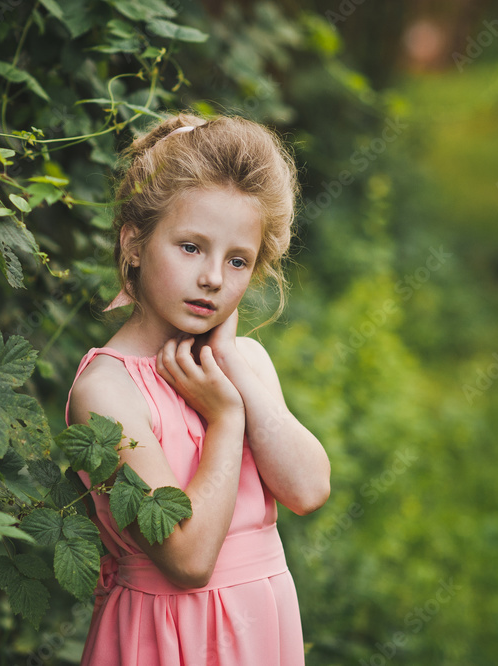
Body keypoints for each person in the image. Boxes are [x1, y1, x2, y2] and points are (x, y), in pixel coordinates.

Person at [65, 113, 331, 666]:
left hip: (259, 628)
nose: (214, 277)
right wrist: (226, 421)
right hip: (164, 637)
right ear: (134, 243)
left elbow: (307, 490)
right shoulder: (108, 391)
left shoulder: (244, 364)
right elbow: (187, 558)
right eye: (190, 247)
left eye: (238, 260)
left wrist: (231, 358)